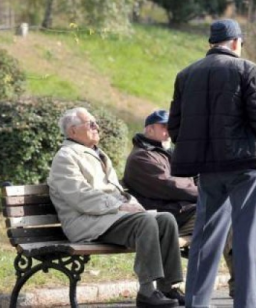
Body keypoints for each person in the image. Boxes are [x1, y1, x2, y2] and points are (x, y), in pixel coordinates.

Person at [168, 19, 256, 308]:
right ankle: (248, 302)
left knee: (205, 235)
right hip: (245, 164)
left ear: (212, 42)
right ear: (236, 42)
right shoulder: (248, 70)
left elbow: (175, 126)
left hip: (207, 167)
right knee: (246, 235)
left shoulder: (186, 74)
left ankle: (196, 301)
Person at [47, 107, 185, 308]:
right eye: (90, 124)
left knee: (165, 219)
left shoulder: (97, 154)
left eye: (96, 123)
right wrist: (119, 207)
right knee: (145, 222)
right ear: (73, 131)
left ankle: (168, 286)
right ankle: (147, 291)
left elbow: (117, 191)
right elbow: (81, 197)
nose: (97, 127)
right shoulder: (66, 157)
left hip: (105, 217)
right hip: (84, 221)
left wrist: (132, 205)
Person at [123, 109, 256, 298]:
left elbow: (194, 178)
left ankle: (244, 276)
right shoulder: (142, 157)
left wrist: (203, 188)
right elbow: (170, 185)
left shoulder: (166, 153)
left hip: (181, 212)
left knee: (225, 214)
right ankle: (245, 273)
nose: (169, 130)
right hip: (165, 218)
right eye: (164, 126)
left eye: (171, 126)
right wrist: (207, 193)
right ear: (149, 129)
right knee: (222, 214)